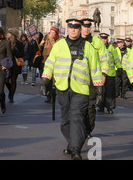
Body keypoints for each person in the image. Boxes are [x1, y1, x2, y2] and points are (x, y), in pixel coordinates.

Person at [41, 19, 103, 160]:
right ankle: (71, 143)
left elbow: (95, 69)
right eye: (71, 27)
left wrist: (99, 89)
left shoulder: (89, 48)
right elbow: (50, 64)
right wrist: (45, 80)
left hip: (80, 90)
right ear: (67, 28)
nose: (73, 29)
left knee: (77, 117)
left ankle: (76, 150)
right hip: (62, 87)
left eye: (76, 27)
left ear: (80, 29)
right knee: (65, 120)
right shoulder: (58, 46)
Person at [79, 18, 108, 138]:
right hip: (78, 78)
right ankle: (78, 129)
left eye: (88, 27)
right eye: (84, 26)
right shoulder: (75, 41)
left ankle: (88, 129)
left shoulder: (97, 42)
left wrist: (104, 74)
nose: (86, 29)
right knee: (77, 105)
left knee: (91, 106)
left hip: (92, 78)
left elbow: (104, 59)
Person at [98, 32, 121, 114]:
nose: (104, 40)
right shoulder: (97, 48)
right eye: (102, 38)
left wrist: (119, 68)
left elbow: (116, 59)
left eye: (105, 39)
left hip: (110, 74)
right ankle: (100, 106)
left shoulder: (111, 48)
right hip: (100, 74)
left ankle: (110, 107)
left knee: (110, 92)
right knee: (100, 92)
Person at [39, 26, 59, 103]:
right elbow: (39, 50)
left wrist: (51, 39)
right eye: (50, 32)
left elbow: (56, 48)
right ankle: (48, 95)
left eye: (53, 33)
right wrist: (40, 44)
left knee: (52, 82)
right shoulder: (45, 40)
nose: (51, 34)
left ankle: (52, 96)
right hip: (45, 61)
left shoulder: (58, 41)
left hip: (54, 63)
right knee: (45, 80)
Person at [5, 29, 23, 102]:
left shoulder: (19, 43)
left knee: (13, 80)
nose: (7, 34)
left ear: (13, 35)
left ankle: (11, 96)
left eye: (9, 33)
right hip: (7, 63)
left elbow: (22, 54)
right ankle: (11, 91)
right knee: (5, 80)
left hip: (15, 64)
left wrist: (14, 51)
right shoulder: (6, 42)